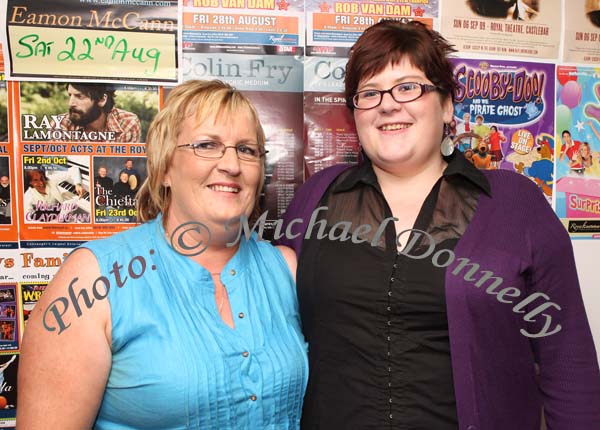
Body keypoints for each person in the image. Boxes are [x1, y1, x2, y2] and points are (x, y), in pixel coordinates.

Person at [278, 20, 600, 429]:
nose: (388, 105)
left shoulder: (514, 205)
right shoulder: (314, 200)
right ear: (354, 112)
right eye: (369, 93)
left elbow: (568, 362)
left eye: (409, 87)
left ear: (447, 105)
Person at [18, 80, 308, 430]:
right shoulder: (93, 277)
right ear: (165, 167)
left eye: (247, 150)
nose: (232, 164)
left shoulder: (284, 270)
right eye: (207, 145)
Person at [58, 83, 141, 143]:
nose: (71, 103)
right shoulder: (61, 123)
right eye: (70, 95)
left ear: (102, 100)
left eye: (79, 96)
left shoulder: (127, 123)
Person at [23, 167, 90, 223]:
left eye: (41, 178)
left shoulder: (50, 181)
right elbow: (28, 221)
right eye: (35, 180)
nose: (41, 183)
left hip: (65, 216)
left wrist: (78, 184)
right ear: (30, 182)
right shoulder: (28, 197)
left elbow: (74, 169)